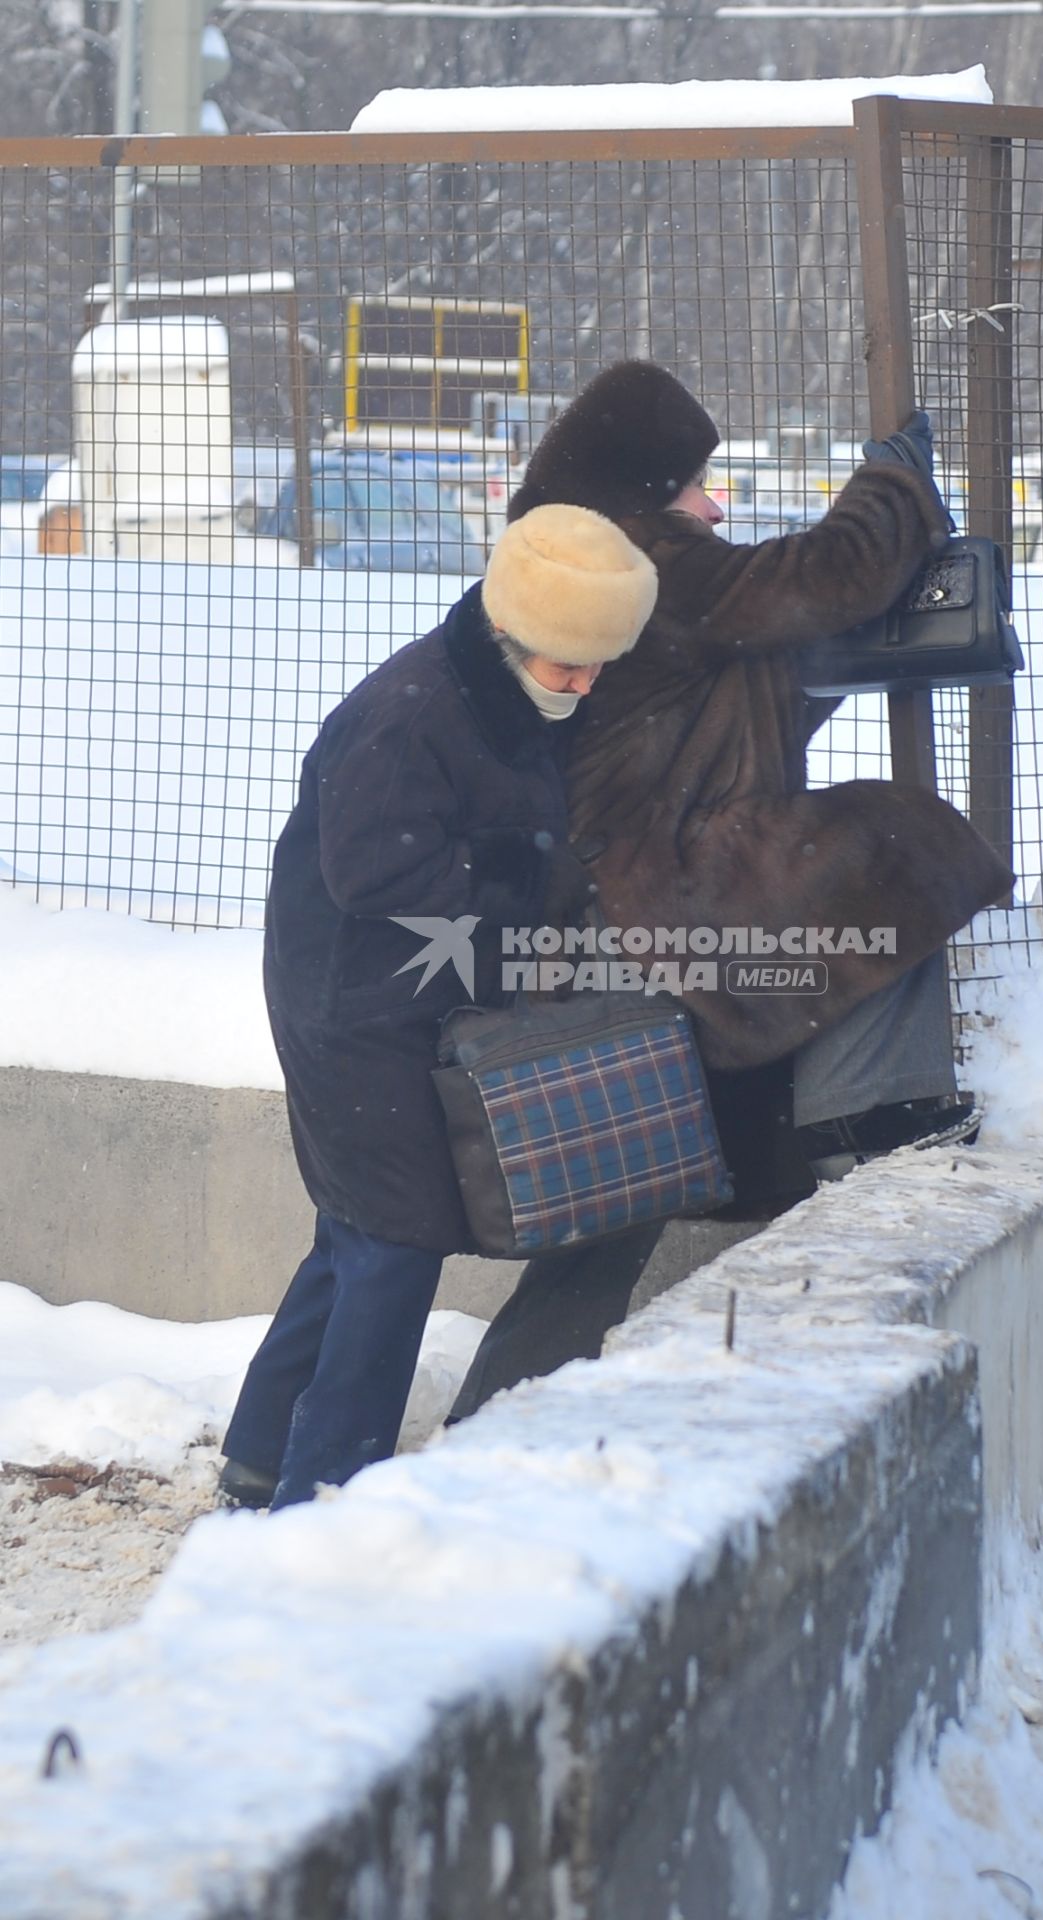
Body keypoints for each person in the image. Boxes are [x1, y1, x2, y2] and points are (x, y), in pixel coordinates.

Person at [219, 503, 664, 1510]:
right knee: (397, 1240)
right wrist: (530, 878)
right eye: (568, 666)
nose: (585, 686)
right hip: (352, 1008)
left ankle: (260, 1459)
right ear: (513, 634)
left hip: (405, 998)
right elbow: (375, 867)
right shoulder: (410, 712)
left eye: (600, 664)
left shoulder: (510, 693)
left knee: (353, 1230)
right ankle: (325, 1495)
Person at [501, 360, 1015, 1189]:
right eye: (696, 486)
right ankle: (868, 1117)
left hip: (644, 875)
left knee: (860, 860)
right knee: (891, 844)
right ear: (645, 491)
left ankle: (861, 1112)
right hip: (654, 886)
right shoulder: (634, 559)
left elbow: (743, 670)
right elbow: (824, 575)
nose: (714, 506)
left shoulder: (599, 560)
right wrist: (892, 482)